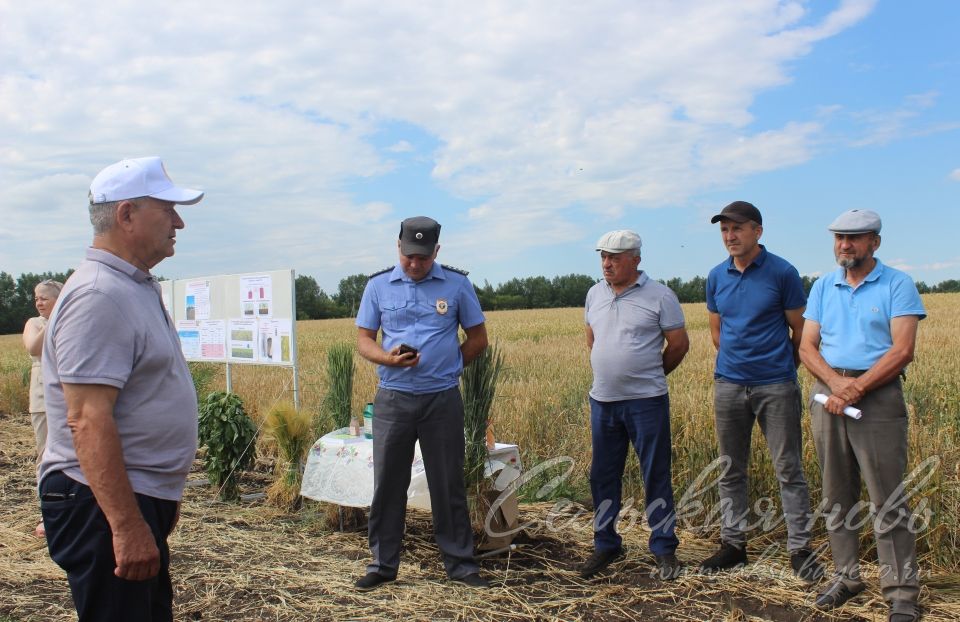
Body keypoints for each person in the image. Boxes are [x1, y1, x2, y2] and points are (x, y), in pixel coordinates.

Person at [38, 157, 204, 621]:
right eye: (167, 209)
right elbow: (87, 419)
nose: (179, 222)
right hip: (103, 503)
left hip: (123, 497)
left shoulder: (130, 286)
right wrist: (126, 524)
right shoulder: (99, 295)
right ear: (126, 214)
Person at [799, 209, 924, 622]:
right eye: (839, 237)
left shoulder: (897, 284)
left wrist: (856, 387)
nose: (844, 245)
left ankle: (902, 593)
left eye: (854, 238)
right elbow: (806, 347)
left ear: (875, 242)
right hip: (829, 396)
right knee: (837, 494)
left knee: (887, 498)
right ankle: (847, 577)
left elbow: (902, 350)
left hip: (878, 398)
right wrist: (836, 384)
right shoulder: (822, 286)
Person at [354, 216, 490, 591]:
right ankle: (382, 565)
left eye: (423, 258)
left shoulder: (458, 285)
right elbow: (365, 339)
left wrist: (449, 366)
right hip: (393, 400)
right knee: (389, 484)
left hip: (441, 400)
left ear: (437, 252)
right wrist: (387, 358)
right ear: (398, 248)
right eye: (409, 257)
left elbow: (479, 338)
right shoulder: (378, 286)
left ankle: (461, 565)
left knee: (447, 484)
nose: (415, 265)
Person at [700, 201, 823, 582]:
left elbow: (800, 331)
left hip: (776, 385)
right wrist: (736, 368)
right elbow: (717, 331)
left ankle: (799, 550)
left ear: (758, 232)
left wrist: (779, 368)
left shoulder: (782, 273)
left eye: (737, 229)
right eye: (724, 230)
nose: (730, 236)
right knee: (730, 469)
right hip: (729, 385)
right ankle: (734, 545)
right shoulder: (716, 276)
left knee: (789, 468)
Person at [580, 230, 689, 581]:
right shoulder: (594, 294)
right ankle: (606, 544)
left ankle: (663, 548)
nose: (607, 263)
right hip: (604, 401)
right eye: (603, 257)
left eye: (614, 257)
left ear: (636, 259)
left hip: (646, 403)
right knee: (602, 475)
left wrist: (648, 375)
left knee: (654, 474)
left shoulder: (661, 296)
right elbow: (592, 340)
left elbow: (678, 345)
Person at [22, 279, 64, 537]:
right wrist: (56, 318)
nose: (39, 302)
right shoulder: (35, 324)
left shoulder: (71, 319)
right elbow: (33, 347)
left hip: (68, 391)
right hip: (42, 395)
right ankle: (47, 514)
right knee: (46, 453)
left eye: (45, 298)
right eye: (37, 298)